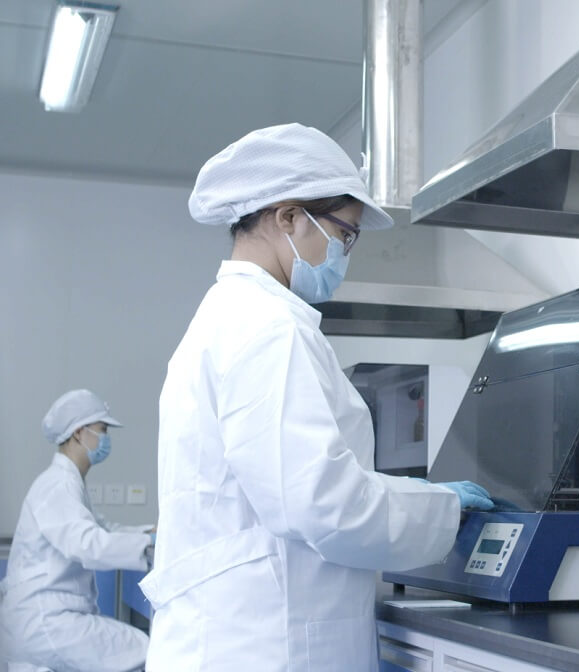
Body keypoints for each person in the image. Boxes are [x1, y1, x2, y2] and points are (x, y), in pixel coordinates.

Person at [141, 123, 493, 671]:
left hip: (237, 632)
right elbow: (324, 504)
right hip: (266, 643)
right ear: (288, 217)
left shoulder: (228, 317)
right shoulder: (269, 328)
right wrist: (442, 508)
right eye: (344, 234)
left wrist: (417, 497)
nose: (345, 254)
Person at [1, 390, 155, 672]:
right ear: (78, 432)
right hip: (47, 622)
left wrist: (149, 533)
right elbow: (88, 544)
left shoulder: (66, 482)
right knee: (149, 651)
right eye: (102, 429)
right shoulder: (58, 485)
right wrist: (148, 546)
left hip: (47, 620)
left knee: (138, 649)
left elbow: (101, 529)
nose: (106, 438)